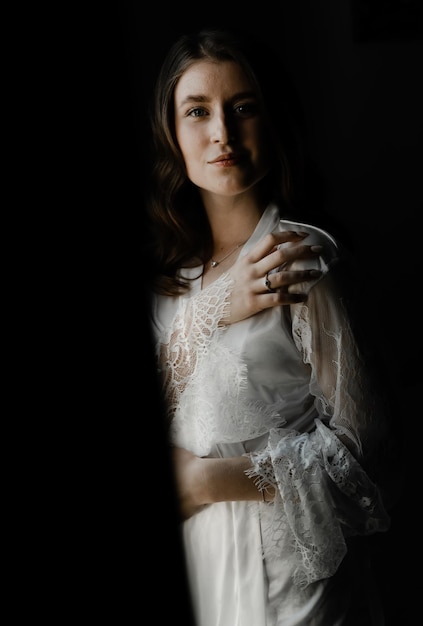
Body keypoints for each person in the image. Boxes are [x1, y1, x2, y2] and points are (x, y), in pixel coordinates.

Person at [144, 26, 395, 626]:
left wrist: (205, 482)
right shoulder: (168, 279)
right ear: (171, 132)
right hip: (202, 561)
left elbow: (370, 455)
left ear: (272, 119)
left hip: (291, 574)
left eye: (243, 108)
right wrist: (215, 311)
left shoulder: (299, 260)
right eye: (198, 111)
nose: (222, 133)